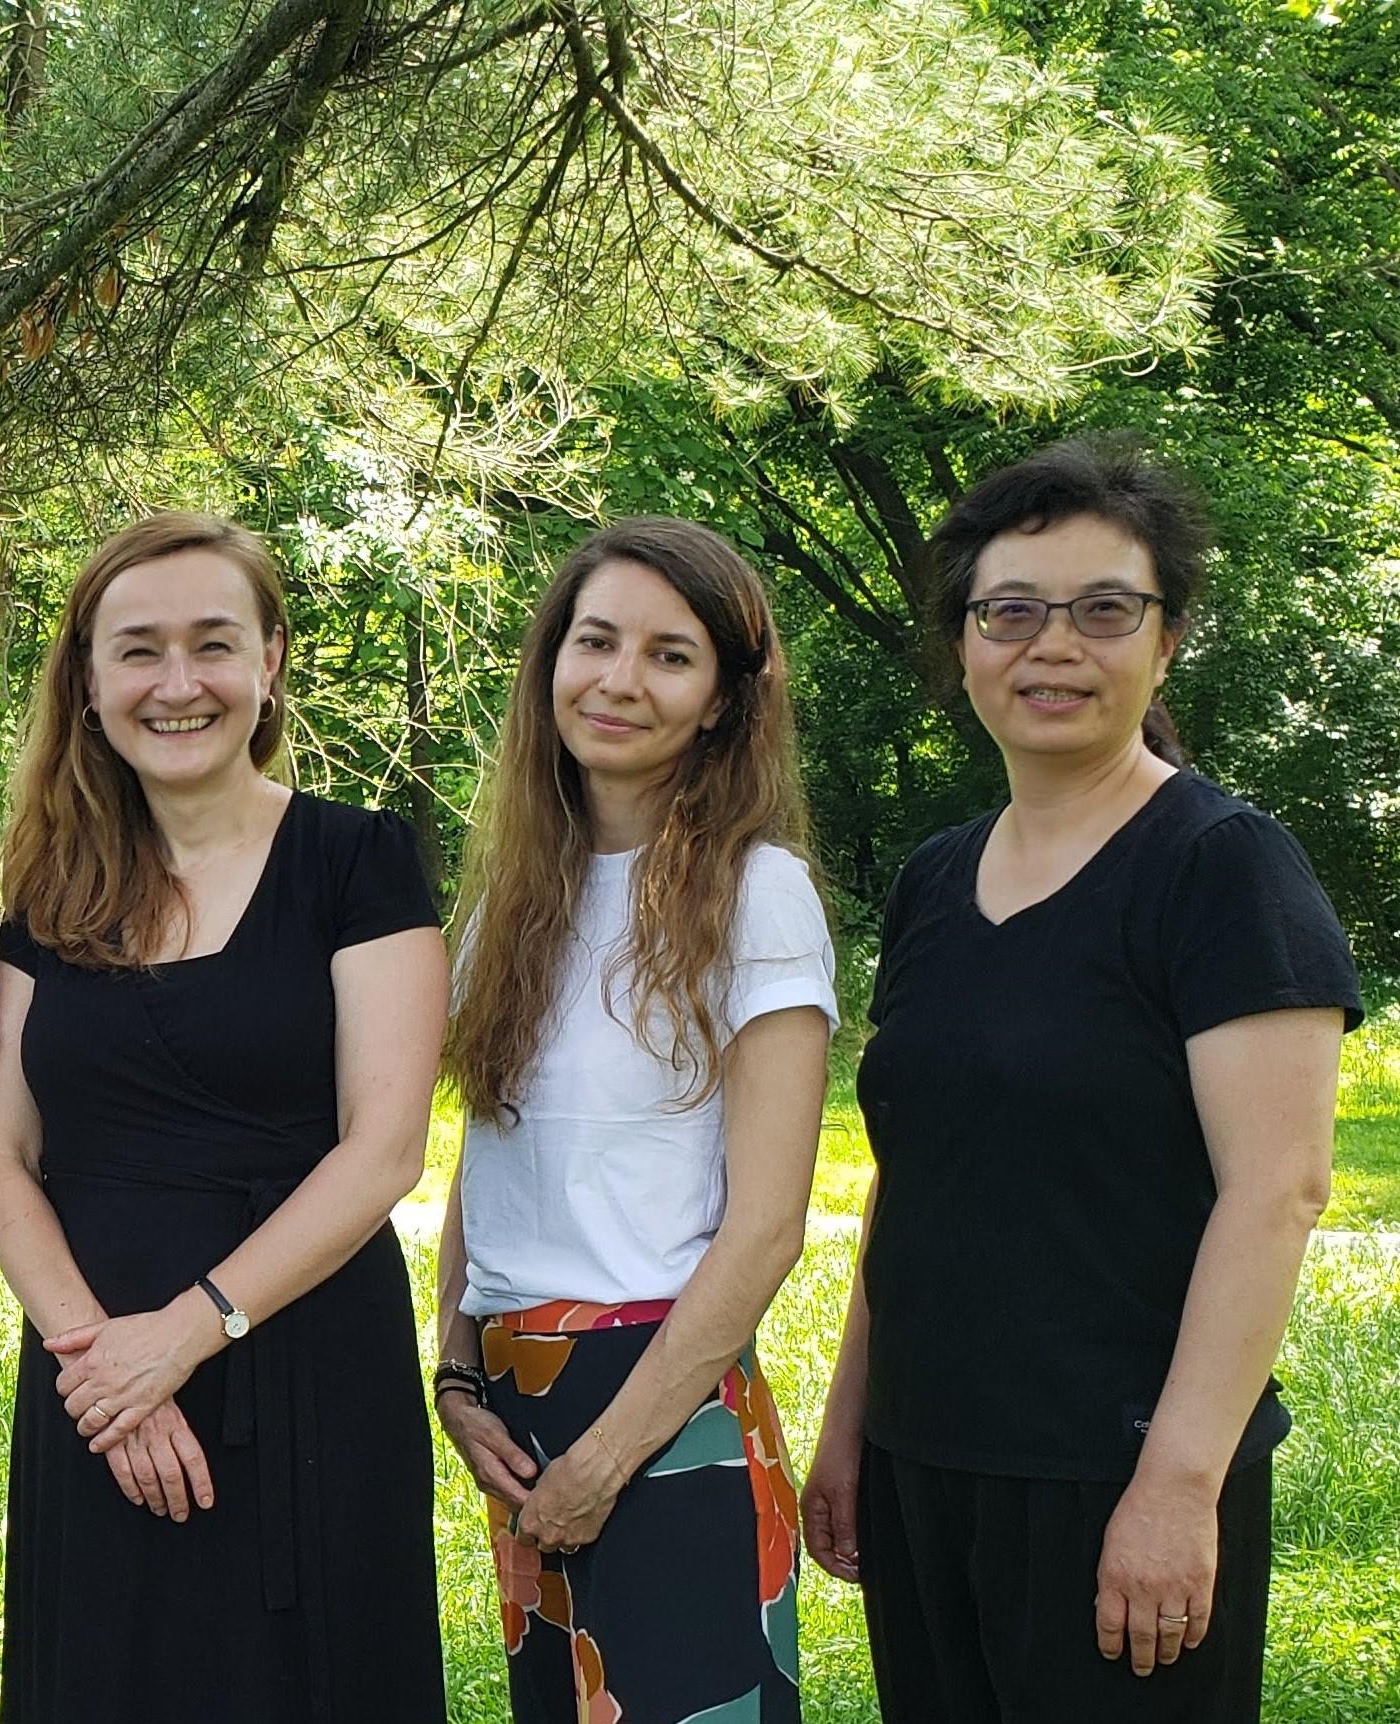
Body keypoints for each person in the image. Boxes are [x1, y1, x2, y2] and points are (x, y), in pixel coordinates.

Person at [801, 437, 1358, 1721]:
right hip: (924, 1461)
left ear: (1165, 642)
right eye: (1012, 611)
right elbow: (916, 1176)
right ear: (965, 646)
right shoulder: (938, 877)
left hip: (1116, 1478)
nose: (1055, 645)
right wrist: (854, 1421)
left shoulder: (1223, 869)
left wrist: (1175, 1486)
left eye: (1105, 609)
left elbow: (1279, 1189)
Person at [0, 510, 451, 1723]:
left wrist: (184, 1333)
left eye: (212, 644)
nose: (176, 683)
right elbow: (4, 1158)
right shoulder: (49, 883)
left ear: (271, 660)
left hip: (304, 1376)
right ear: (87, 680)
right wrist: (101, 1366)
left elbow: (385, 1145)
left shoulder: (357, 860)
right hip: (91, 1389)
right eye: (137, 649)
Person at [429, 519, 834, 1724]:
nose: (617, 679)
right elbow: (489, 1154)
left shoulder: (758, 891)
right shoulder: (511, 894)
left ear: (721, 701)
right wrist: (453, 1368)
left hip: (667, 1403)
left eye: (669, 654)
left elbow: (767, 1227)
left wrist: (607, 1456)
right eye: (594, 640)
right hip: (517, 1396)